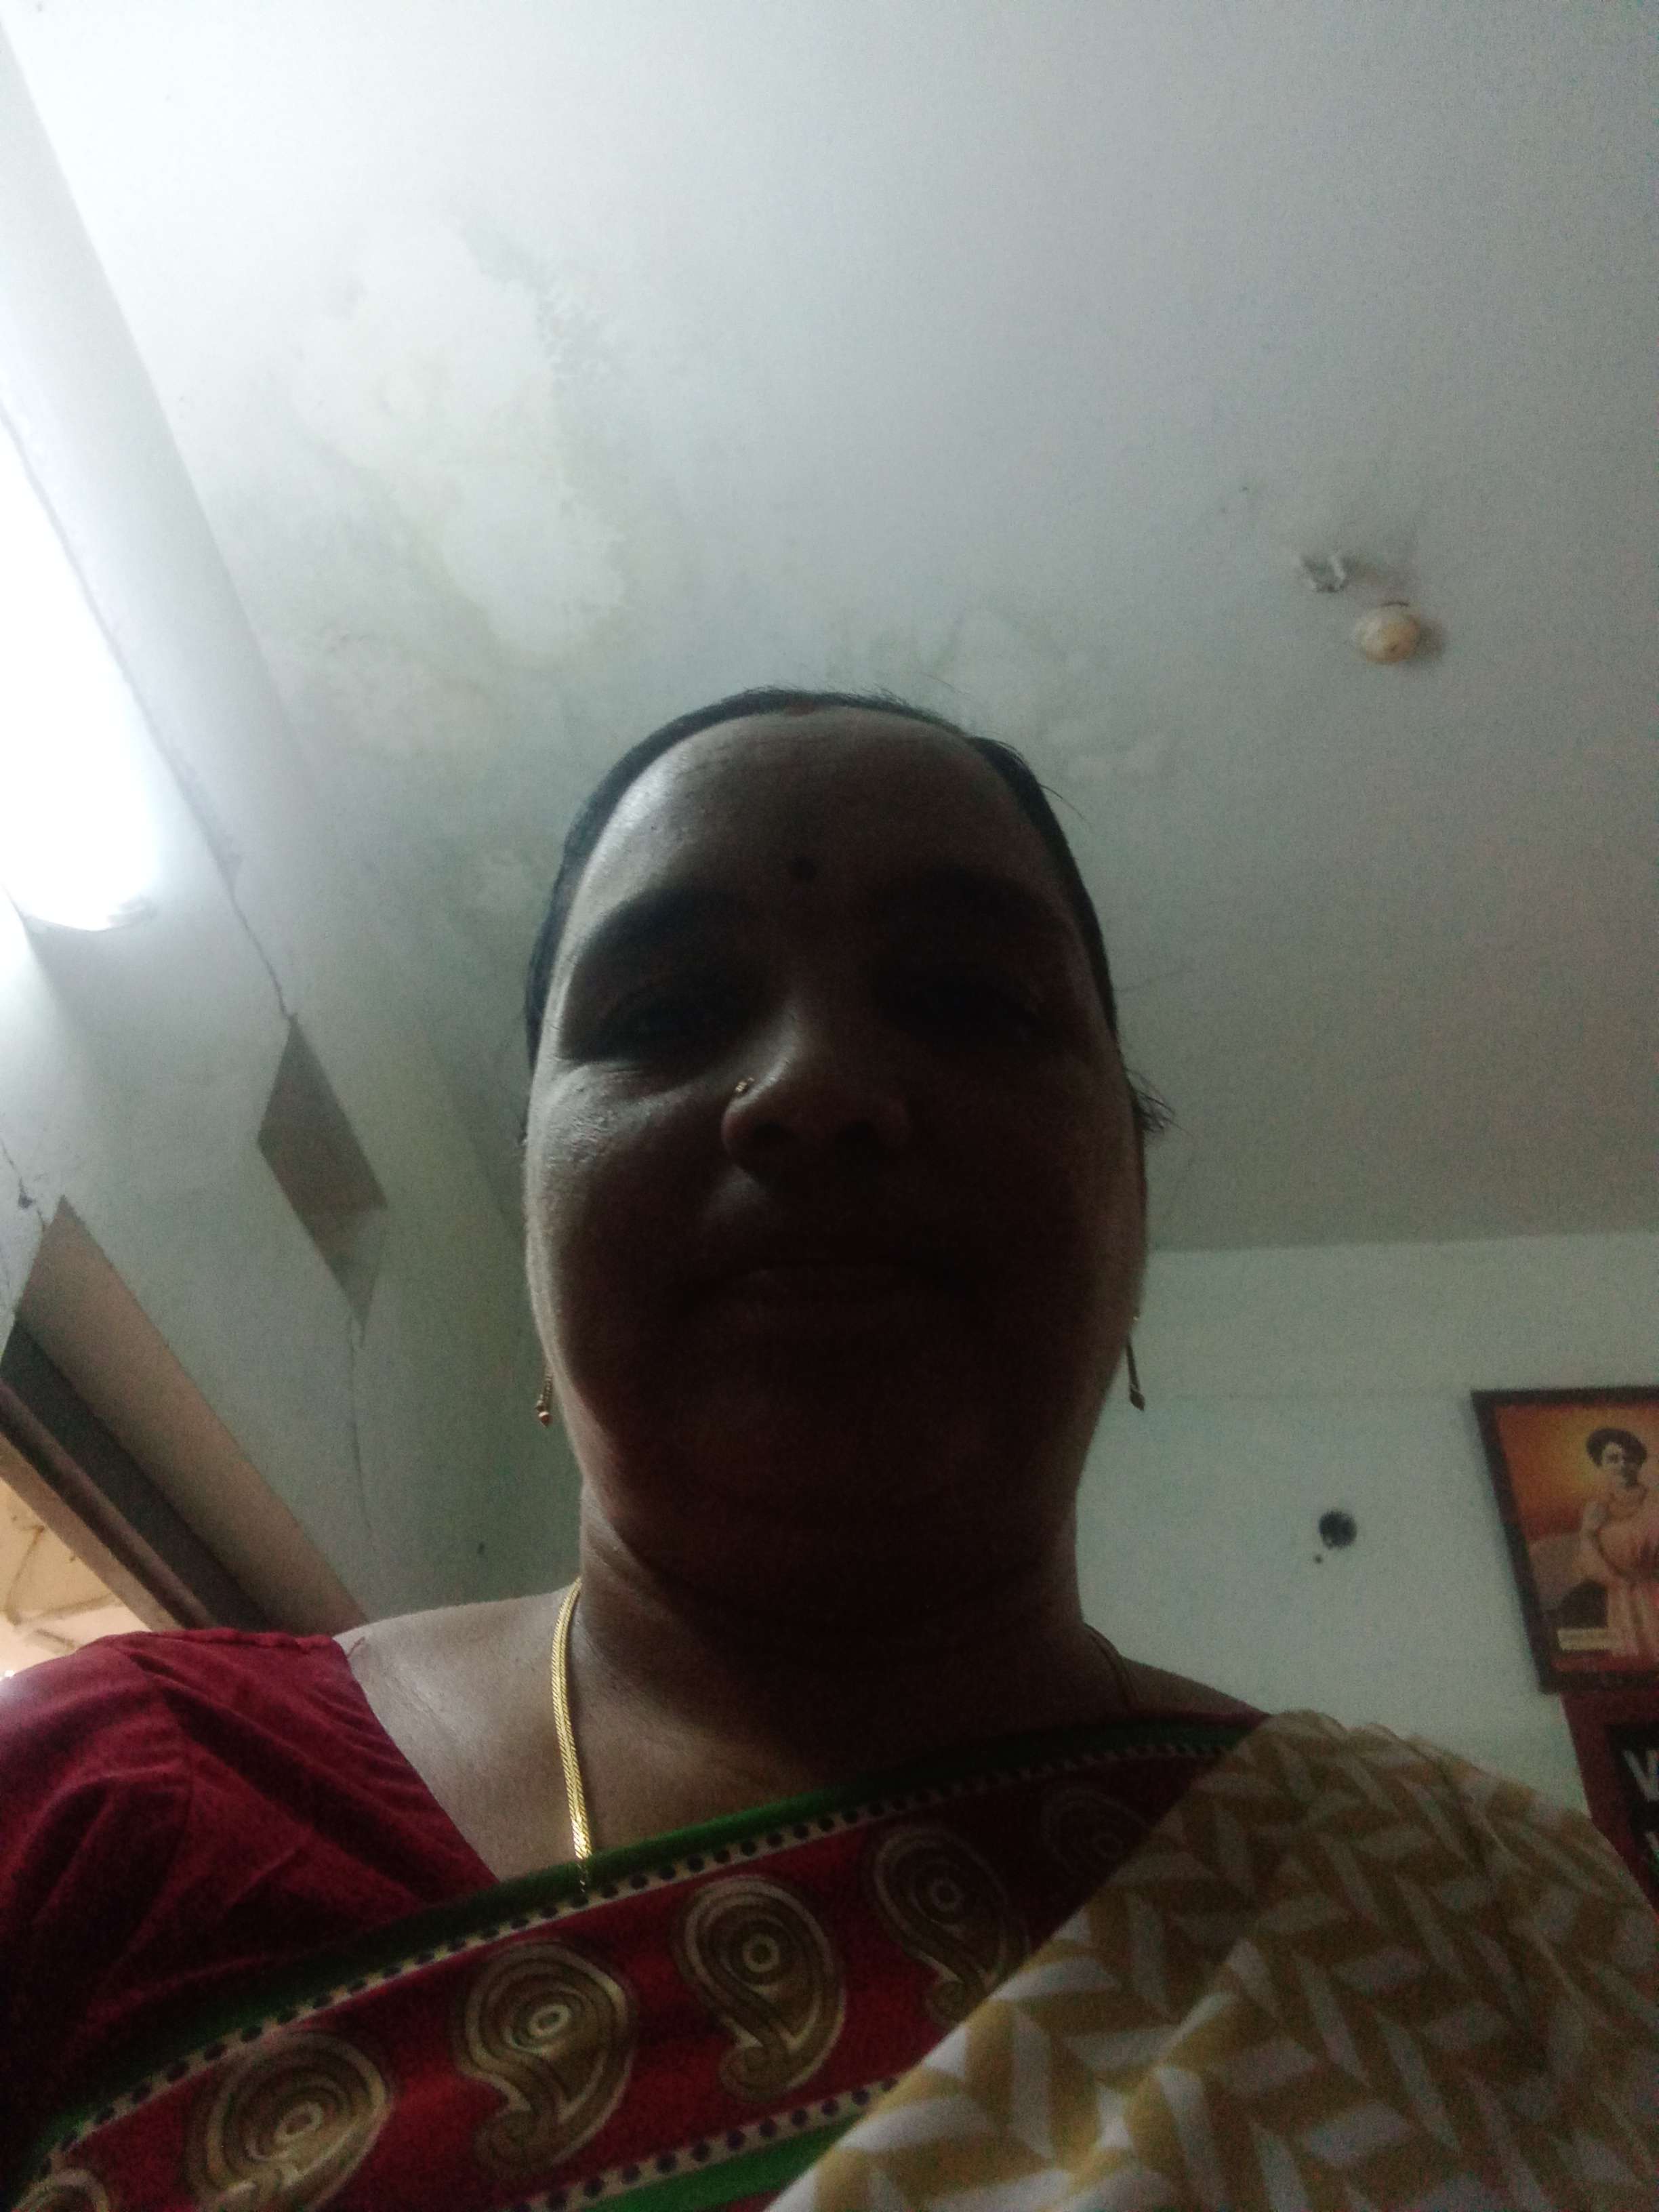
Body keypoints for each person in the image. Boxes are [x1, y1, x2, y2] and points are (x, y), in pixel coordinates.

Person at [1, 689, 1654, 2212]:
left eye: (968, 999)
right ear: (535, 1214)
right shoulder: (97, 1805)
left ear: (1132, 1199)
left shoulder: (1499, 1932)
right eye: (664, 1009)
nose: (814, 1085)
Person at [1574, 1426, 1659, 1663]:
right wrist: (1588, 1533)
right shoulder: (1595, 1509)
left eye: (1629, 1459)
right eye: (1613, 1459)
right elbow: (1589, 1559)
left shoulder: (1655, 1502)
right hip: (1618, 1594)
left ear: (1639, 1463)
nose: (1622, 1464)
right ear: (1600, 1464)